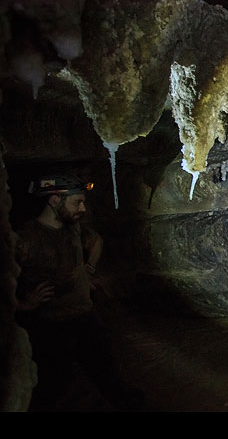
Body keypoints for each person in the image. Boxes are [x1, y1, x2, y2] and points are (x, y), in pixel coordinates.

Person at [14, 172, 142, 411]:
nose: (82, 208)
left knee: (107, 369)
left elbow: (96, 241)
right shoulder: (26, 239)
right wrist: (24, 304)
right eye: (77, 202)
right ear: (54, 201)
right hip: (52, 325)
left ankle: (123, 401)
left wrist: (87, 268)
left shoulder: (72, 228)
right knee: (55, 387)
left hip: (85, 316)